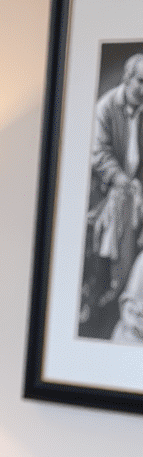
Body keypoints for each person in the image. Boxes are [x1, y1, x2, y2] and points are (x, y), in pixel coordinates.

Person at [83, 54, 143, 334]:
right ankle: (115, 298)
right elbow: (100, 155)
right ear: (127, 79)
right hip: (108, 193)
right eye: (140, 82)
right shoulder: (105, 108)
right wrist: (124, 182)